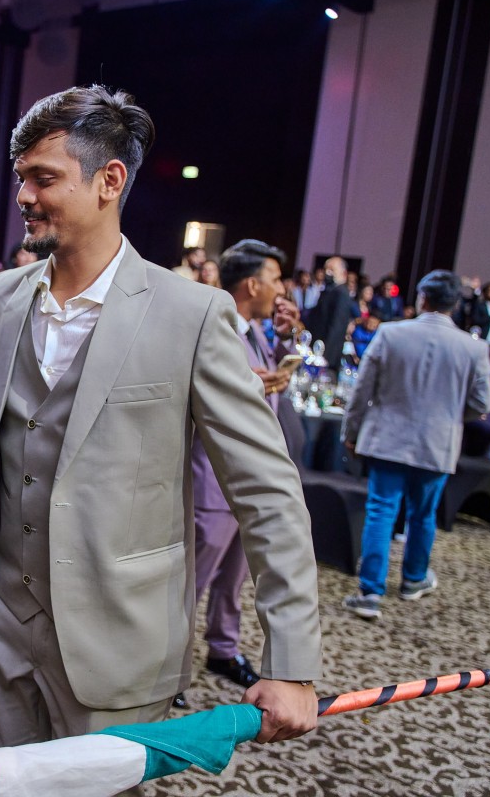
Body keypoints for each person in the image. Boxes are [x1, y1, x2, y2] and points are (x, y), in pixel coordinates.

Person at [0, 85, 321, 765]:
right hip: (3, 628)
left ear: (109, 181)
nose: (23, 197)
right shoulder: (6, 297)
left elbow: (267, 491)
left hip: (120, 643)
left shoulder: (191, 314)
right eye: (20, 178)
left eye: (44, 178)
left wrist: (292, 662)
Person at [178, 239, 304, 710]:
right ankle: (167, 669)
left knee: (234, 576)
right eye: (274, 279)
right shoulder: (214, 325)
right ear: (252, 284)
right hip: (213, 477)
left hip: (248, 482)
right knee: (190, 582)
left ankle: (223, 647)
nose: (280, 288)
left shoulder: (254, 330)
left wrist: (286, 341)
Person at [341, 270, 490, 620]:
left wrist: (351, 430)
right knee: (423, 515)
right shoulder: (473, 347)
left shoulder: (390, 333)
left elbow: (362, 389)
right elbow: (483, 404)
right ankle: (413, 579)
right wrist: (451, 415)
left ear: (422, 299)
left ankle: (370, 592)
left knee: (381, 511)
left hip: (387, 439)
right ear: (455, 305)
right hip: (437, 443)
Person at [304, 255, 354, 373]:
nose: (327, 273)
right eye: (326, 269)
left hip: (326, 356)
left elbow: (337, 327)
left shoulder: (341, 293)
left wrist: (326, 357)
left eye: (332, 270)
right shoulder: (328, 291)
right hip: (317, 348)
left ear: (343, 273)